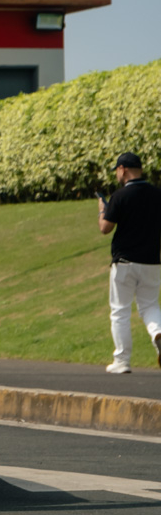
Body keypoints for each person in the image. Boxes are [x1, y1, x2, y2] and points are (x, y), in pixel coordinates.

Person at [98, 152, 161, 374]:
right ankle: (157, 333)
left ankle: (122, 360)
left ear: (122, 169)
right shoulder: (157, 194)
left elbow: (105, 228)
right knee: (150, 305)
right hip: (152, 261)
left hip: (124, 261)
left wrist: (102, 209)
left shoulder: (119, 196)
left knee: (120, 311)